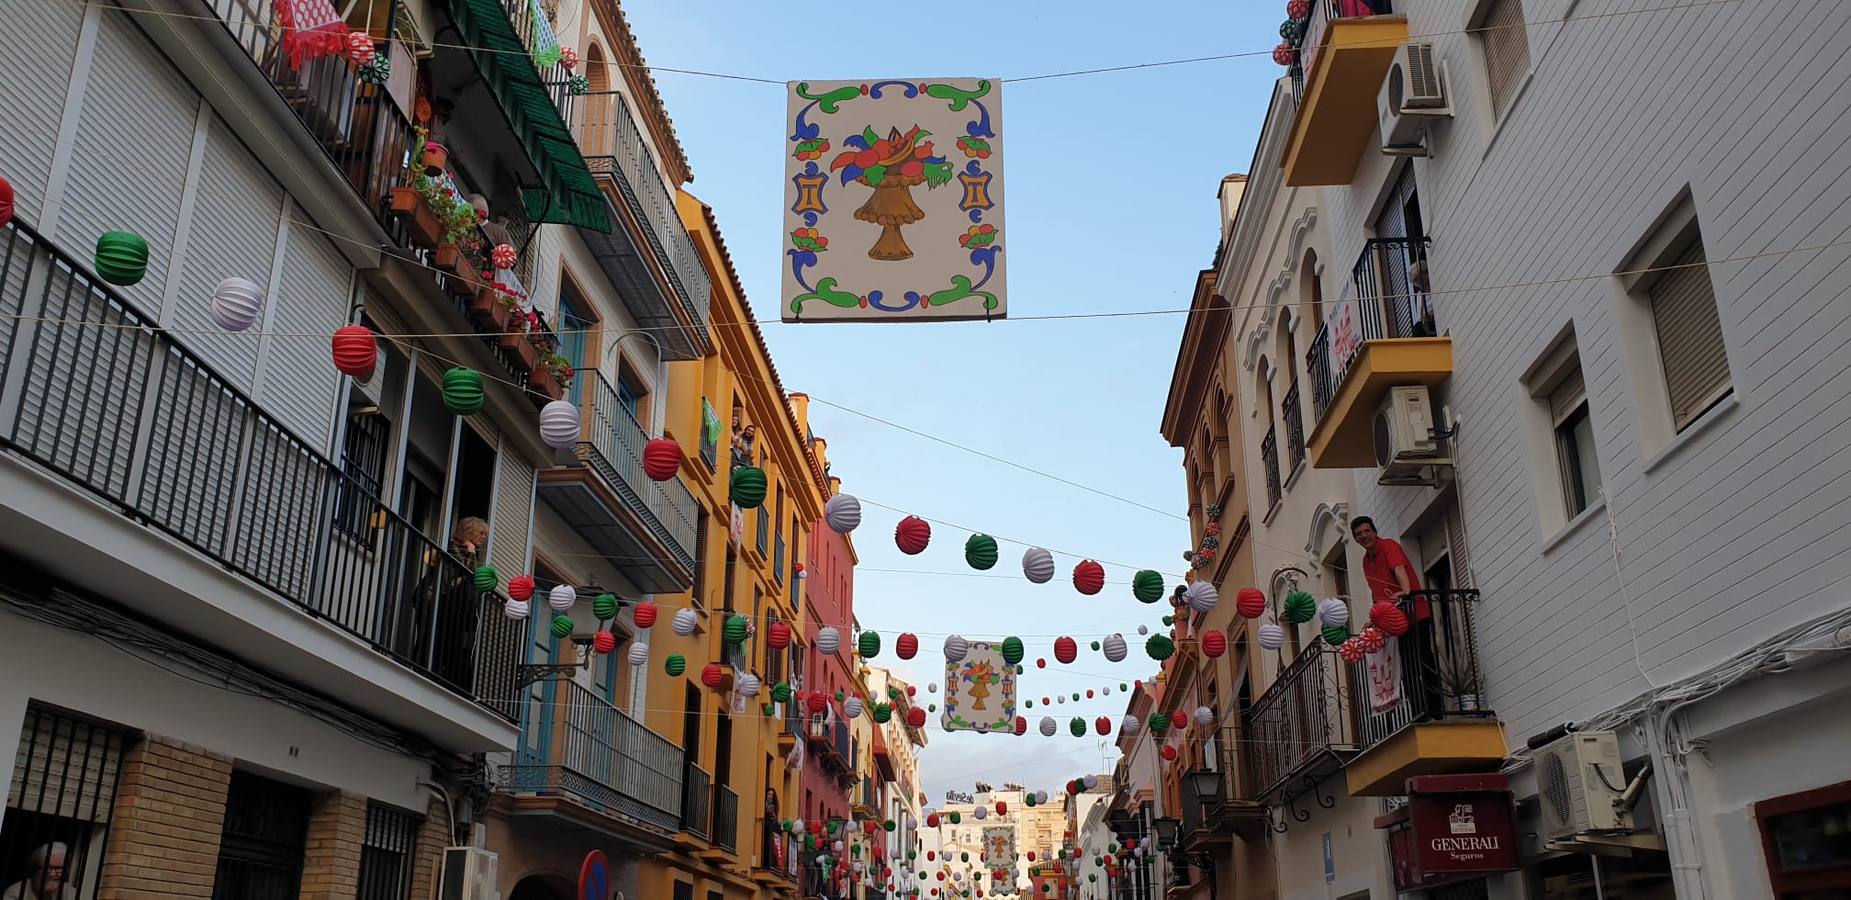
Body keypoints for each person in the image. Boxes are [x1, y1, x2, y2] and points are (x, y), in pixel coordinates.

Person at [1352, 516, 1441, 715]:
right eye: (1359, 534)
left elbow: (1399, 568)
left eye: (1367, 531)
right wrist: (1374, 620)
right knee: (1407, 669)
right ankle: (1419, 711)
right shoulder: (1366, 561)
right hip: (1396, 624)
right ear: (1356, 540)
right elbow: (1377, 594)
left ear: (1374, 532)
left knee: (1423, 661)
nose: (1364, 536)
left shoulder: (1388, 545)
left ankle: (1436, 710)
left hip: (1415, 615)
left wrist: (1405, 590)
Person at [4, 842, 78, 900]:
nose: (52, 874)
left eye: (58, 868)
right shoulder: (15, 893)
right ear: (35, 869)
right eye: (47, 868)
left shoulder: (71, 894)